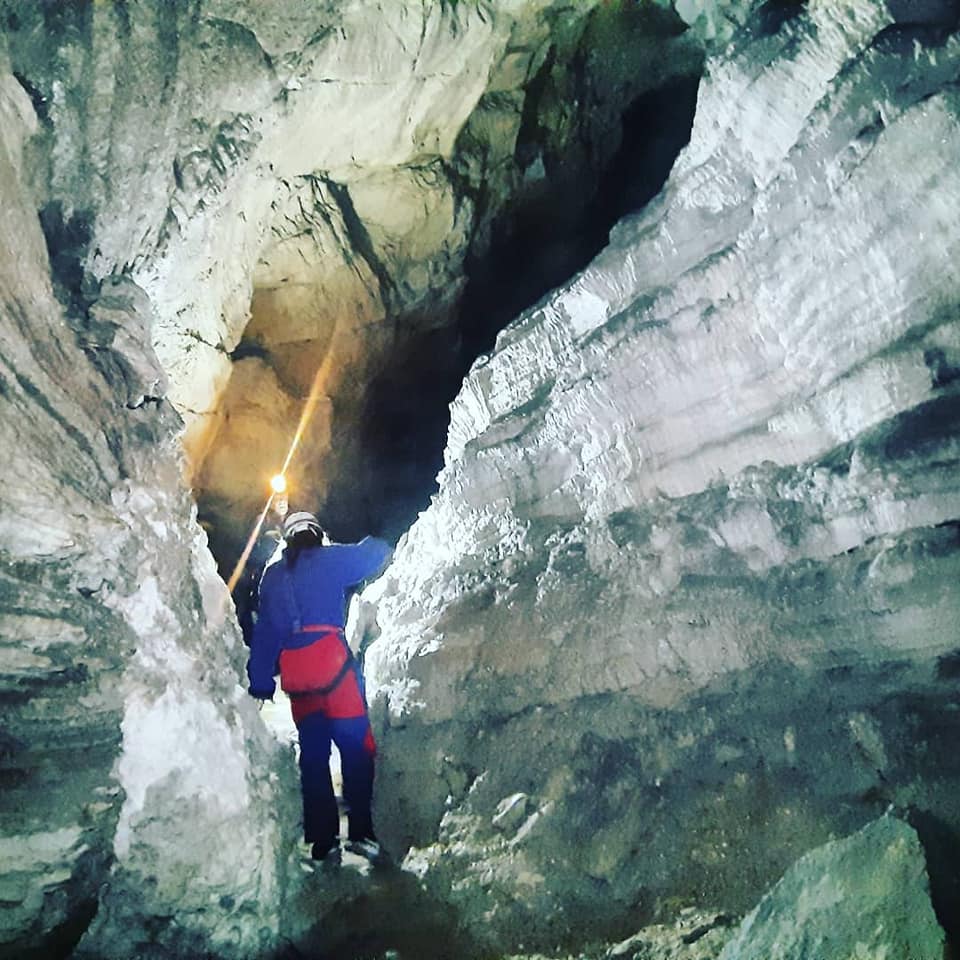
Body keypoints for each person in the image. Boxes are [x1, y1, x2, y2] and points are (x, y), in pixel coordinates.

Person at [246, 511, 392, 863]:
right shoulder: (330, 559)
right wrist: (376, 536)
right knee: (357, 749)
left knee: (313, 757)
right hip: (335, 672)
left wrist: (262, 682)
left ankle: (323, 839)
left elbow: (265, 633)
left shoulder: (274, 576)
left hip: (299, 680)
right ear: (315, 533)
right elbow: (376, 553)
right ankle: (360, 832)